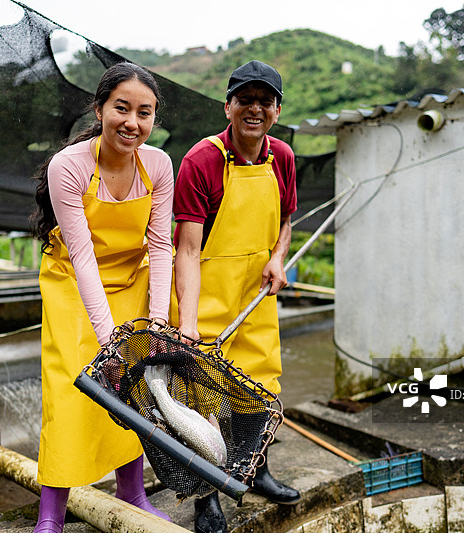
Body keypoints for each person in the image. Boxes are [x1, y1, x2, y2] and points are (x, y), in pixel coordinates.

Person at [29, 62, 174, 533]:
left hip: (132, 279)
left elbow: (160, 246)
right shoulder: (68, 166)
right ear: (100, 109)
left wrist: (155, 327)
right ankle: (51, 513)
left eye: (145, 112)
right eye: (122, 108)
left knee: (133, 388)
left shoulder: (158, 165)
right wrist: (108, 338)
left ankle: (131, 491)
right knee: (70, 392)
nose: (133, 122)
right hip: (73, 279)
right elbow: (84, 258)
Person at [171, 60, 300, 533]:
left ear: (277, 110)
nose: (255, 108)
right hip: (205, 288)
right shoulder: (201, 161)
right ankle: (207, 497)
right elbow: (185, 248)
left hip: (256, 290)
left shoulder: (281, 157)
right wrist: (187, 320)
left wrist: (278, 257)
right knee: (201, 397)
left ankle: (255, 471)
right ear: (228, 106)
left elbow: (287, 220)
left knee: (261, 386)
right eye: (245, 99)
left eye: (265, 101)